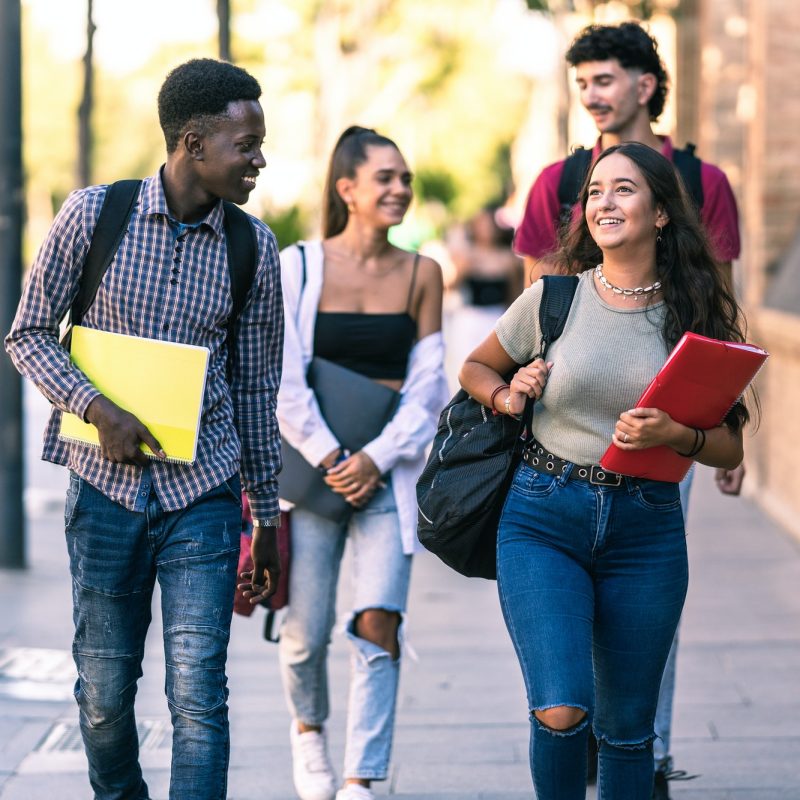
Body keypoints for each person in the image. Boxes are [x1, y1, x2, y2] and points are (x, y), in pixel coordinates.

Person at [4, 58, 284, 800]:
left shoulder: (254, 249)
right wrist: (98, 411)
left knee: (198, 697)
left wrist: (266, 515)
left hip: (206, 496)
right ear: (192, 144)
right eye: (246, 144)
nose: (259, 159)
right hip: (104, 494)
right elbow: (27, 333)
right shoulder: (95, 214)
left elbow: (257, 389)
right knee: (102, 695)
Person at [459, 141, 751, 800]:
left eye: (623, 190)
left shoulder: (694, 316)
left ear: (660, 214)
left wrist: (676, 433)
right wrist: (510, 394)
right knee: (561, 709)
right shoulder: (554, 299)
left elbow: (730, 448)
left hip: (646, 531)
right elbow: (475, 367)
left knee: (627, 732)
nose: (603, 202)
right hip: (542, 518)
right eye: (594, 191)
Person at [512, 22, 745, 795]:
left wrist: (705, 428)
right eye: (580, 83)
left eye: (604, 79)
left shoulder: (704, 182)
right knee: (565, 692)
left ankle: (648, 758)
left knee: (637, 662)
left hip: (652, 471)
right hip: (556, 468)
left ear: (645, 84)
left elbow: (720, 310)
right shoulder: (555, 182)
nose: (591, 95)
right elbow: (533, 304)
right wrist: (527, 380)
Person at [271, 126, 447, 800]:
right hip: (313, 479)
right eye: (385, 178)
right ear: (347, 190)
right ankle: (308, 732)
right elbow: (282, 379)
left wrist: (373, 459)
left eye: (404, 177)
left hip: (387, 476)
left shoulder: (421, 272)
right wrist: (332, 457)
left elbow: (429, 386)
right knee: (304, 636)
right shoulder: (299, 266)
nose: (400, 188)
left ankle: (360, 779)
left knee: (379, 623)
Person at [443, 205, 522, 390]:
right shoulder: (467, 255)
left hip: (496, 318)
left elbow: (514, 294)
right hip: (470, 318)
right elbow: (451, 286)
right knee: (464, 363)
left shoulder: (507, 258)